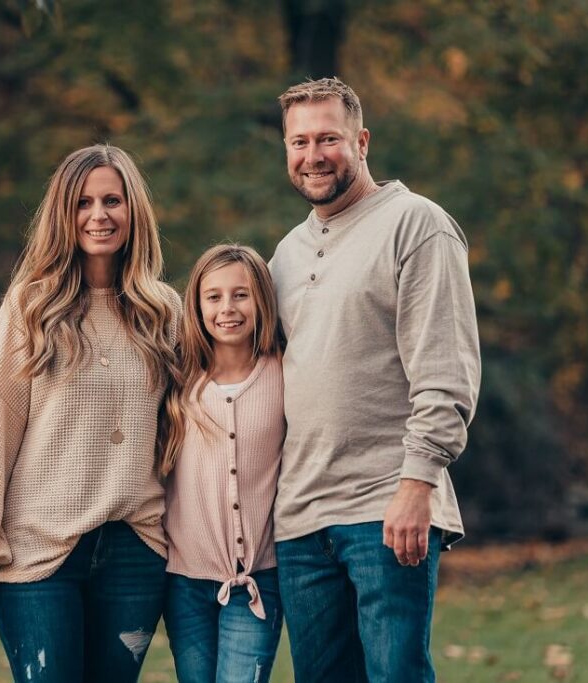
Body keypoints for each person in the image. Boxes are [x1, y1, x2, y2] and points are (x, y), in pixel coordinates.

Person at [0, 144, 182, 683]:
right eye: (83, 202)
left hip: (134, 549)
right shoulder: (32, 305)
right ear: (63, 215)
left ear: (133, 211)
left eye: (112, 200)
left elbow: (185, 431)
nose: (99, 215)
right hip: (37, 547)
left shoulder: (164, 311)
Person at [268, 77, 481, 682]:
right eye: (299, 142)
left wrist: (418, 484)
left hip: (386, 506)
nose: (313, 156)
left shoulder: (416, 224)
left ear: (361, 141)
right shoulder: (284, 255)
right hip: (301, 520)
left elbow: (446, 370)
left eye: (329, 138)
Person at [158, 244, 286, 683]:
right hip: (184, 583)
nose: (227, 308)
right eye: (213, 297)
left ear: (261, 301)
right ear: (196, 304)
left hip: (256, 582)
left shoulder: (284, 372)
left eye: (241, 295)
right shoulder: (176, 380)